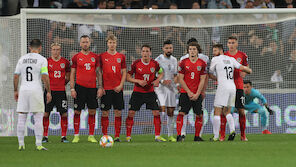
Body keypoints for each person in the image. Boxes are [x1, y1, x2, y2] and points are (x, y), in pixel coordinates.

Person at [14, 39, 52, 151]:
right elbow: (45, 76)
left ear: (30, 48)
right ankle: (39, 144)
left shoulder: (22, 59)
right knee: (38, 118)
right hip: (36, 90)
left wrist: (15, 91)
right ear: (40, 48)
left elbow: (16, 76)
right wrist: (48, 91)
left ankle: (21, 144)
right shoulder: (42, 60)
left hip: (24, 90)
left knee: (21, 117)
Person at [209, 44, 252, 141]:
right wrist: (248, 70)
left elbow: (210, 72)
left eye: (215, 50)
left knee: (217, 111)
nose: (213, 53)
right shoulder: (231, 59)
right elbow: (242, 68)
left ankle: (216, 137)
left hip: (223, 87)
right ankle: (232, 130)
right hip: (233, 87)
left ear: (220, 51)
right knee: (227, 111)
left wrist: (217, 77)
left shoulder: (215, 59)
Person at [125, 44, 165, 142]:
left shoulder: (155, 64)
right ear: (141, 53)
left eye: (147, 51)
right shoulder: (136, 64)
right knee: (131, 113)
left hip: (150, 92)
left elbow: (161, 72)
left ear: (150, 53)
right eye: (143, 51)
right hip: (137, 92)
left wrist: (157, 80)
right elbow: (128, 77)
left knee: (156, 112)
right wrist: (138, 81)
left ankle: (157, 136)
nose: (145, 53)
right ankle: (128, 136)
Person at [70, 35, 101, 143]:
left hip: (92, 88)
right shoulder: (76, 57)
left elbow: (98, 73)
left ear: (90, 43)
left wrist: (100, 87)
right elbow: (72, 74)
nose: (85, 44)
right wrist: (72, 89)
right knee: (77, 111)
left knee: (92, 111)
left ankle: (91, 135)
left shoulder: (95, 57)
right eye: (83, 42)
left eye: (87, 42)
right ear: (80, 44)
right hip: (79, 87)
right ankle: (76, 135)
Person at [179, 38, 210, 141]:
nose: (192, 51)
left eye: (194, 49)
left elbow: (203, 79)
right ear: (188, 50)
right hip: (185, 93)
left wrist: (198, 93)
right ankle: (180, 135)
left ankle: (197, 136)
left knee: (199, 114)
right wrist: (188, 92)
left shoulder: (202, 63)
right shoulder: (183, 62)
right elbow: (180, 78)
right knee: (182, 113)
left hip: (197, 93)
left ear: (198, 51)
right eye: (190, 49)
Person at [220, 36, 249, 141]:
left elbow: (246, 67)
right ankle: (222, 136)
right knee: (224, 111)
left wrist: (244, 72)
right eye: (229, 43)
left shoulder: (242, 55)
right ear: (227, 44)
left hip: (239, 87)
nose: (231, 45)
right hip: (227, 87)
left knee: (241, 111)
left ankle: (243, 135)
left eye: (233, 43)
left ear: (237, 44)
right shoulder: (224, 56)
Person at [99, 34, 127, 142]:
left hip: (118, 89)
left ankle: (117, 136)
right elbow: (99, 72)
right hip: (106, 89)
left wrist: (121, 85)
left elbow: (124, 72)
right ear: (107, 43)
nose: (112, 45)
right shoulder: (102, 56)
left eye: (114, 42)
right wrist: (101, 87)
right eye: (110, 42)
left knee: (118, 112)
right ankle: (105, 135)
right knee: (105, 112)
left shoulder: (121, 57)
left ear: (116, 43)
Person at [42, 43, 70, 143]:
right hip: (49, 92)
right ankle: (45, 136)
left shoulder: (65, 62)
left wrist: (62, 84)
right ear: (51, 50)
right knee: (46, 114)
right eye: (54, 49)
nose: (56, 51)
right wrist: (48, 89)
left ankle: (63, 136)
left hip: (61, 92)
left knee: (64, 114)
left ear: (60, 50)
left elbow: (68, 76)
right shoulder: (46, 62)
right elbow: (44, 77)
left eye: (57, 49)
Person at [155, 40, 178, 142]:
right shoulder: (158, 60)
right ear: (163, 49)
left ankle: (170, 135)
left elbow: (176, 75)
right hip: (161, 88)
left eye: (170, 48)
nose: (169, 50)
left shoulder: (174, 60)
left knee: (171, 112)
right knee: (162, 110)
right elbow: (154, 74)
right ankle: (158, 135)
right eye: (167, 48)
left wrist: (175, 84)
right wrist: (163, 81)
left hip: (171, 88)